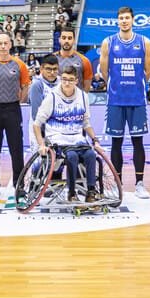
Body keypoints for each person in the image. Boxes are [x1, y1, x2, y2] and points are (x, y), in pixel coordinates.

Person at [98, 7, 150, 199]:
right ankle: (117, 183)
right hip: (116, 100)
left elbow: (148, 70)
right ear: (117, 21)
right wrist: (115, 84)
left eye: (127, 18)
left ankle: (139, 183)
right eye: (121, 18)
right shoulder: (108, 42)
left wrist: (138, 83)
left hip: (137, 99)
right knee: (116, 142)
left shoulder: (144, 42)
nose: (124, 21)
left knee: (138, 141)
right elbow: (104, 71)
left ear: (132, 20)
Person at [32, 65, 103, 203]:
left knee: (91, 155)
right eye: (64, 79)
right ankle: (71, 193)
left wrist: (95, 140)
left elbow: (86, 123)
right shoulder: (52, 97)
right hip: (57, 139)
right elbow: (37, 124)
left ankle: (91, 191)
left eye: (70, 80)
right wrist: (41, 144)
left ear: (76, 81)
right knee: (72, 156)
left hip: (77, 139)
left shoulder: (83, 96)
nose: (66, 83)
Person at [0, 31, 31, 198]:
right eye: (0, 43)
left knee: (16, 149)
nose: (3, 46)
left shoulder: (19, 64)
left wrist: (16, 101)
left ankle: (19, 184)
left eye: (5, 43)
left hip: (13, 109)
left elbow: (25, 87)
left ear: (10, 44)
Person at [53, 27, 93, 91]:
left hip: (77, 97)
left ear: (74, 40)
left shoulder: (84, 61)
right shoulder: (52, 59)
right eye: (64, 38)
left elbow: (87, 87)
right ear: (59, 40)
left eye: (69, 38)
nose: (66, 41)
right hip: (56, 96)